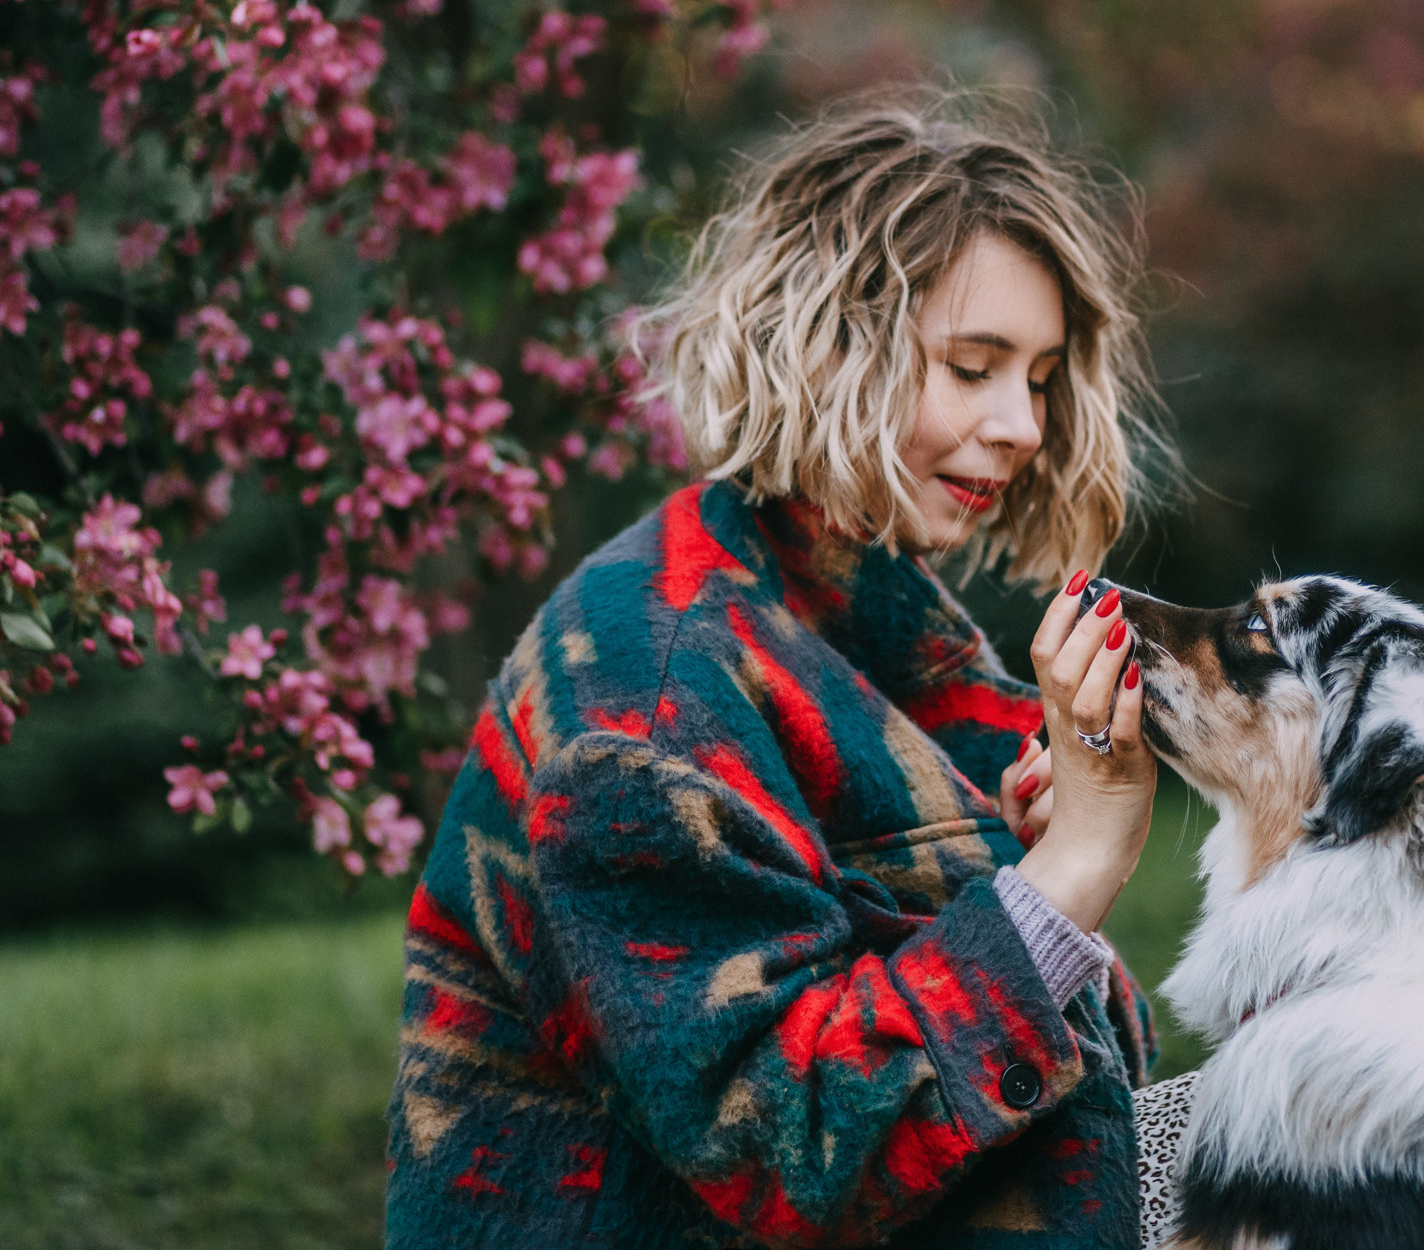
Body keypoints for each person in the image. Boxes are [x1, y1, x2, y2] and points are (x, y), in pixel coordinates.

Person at [385, 91, 1171, 1249]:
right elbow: (788, 1148)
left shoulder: (863, 616)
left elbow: (1047, 1081)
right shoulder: (649, 699)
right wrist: (1071, 870)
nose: (1021, 423)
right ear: (827, 349)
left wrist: (1031, 879)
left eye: (1041, 377)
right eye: (972, 367)